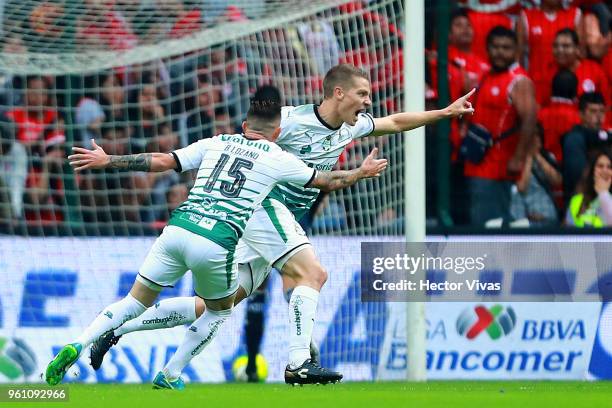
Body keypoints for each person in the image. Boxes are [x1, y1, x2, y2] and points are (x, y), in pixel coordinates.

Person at [86, 64, 475, 385]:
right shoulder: (288, 121)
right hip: (262, 209)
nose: (368, 102)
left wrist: (443, 113)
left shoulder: (351, 127)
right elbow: (246, 140)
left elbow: (393, 121)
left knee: (218, 304)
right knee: (313, 274)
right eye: (362, 94)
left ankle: (119, 330)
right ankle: (298, 362)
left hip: (276, 222)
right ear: (338, 93)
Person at [46, 95, 388, 389]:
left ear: (243, 124)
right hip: (220, 238)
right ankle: (172, 372)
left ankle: (83, 340)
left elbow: (163, 161)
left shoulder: (217, 141)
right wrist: (360, 172)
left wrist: (109, 161)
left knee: (136, 302)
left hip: (177, 228)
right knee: (219, 310)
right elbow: (326, 180)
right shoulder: (277, 157)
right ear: (278, 132)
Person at [464, 26, 537, 226]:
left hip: (498, 170)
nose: (500, 52)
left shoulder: (518, 80)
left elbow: (530, 119)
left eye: (506, 48)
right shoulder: (486, 75)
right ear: (487, 48)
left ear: (515, 51)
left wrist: (518, 158)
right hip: (477, 163)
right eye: (495, 47)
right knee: (478, 225)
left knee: (490, 230)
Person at [562, 91, 611, 205]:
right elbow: (578, 175)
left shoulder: (608, 137)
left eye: (602, 111)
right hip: (581, 202)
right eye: (593, 111)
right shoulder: (574, 139)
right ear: (581, 114)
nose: (598, 116)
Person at [565, 150, 612, 227]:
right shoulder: (576, 201)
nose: (604, 170)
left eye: (609, 167)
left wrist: (603, 193)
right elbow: (568, 235)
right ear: (592, 171)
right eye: (600, 166)